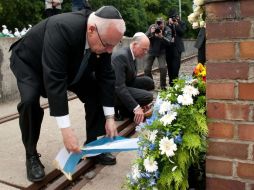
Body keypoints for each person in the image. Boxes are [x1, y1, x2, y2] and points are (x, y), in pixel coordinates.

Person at [9, 6, 126, 182]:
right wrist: (66, 130)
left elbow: (106, 77)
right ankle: (31, 155)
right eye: (107, 45)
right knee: (29, 101)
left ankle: (93, 146)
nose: (110, 51)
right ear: (91, 30)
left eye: (113, 45)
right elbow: (55, 79)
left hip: (68, 66)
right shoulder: (63, 27)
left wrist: (110, 117)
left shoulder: (103, 38)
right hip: (30, 63)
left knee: (95, 92)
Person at [112, 32, 154, 124]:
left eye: (147, 50)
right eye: (144, 49)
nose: (146, 53)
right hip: (114, 93)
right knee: (148, 96)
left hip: (125, 84)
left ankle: (127, 108)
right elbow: (119, 87)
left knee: (148, 82)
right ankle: (124, 110)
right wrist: (136, 106)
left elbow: (132, 78)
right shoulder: (121, 57)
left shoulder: (131, 53)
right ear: (135, 45)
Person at [144, 18, 172, 90]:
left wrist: (161, 36)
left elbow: (169, 42)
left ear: (164, 23)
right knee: (146, 69)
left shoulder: (167, 29)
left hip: (161, 51)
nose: (159, 25)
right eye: (158, 23)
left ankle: (163, 85)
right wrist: (151, 33)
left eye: (161, 23)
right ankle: (150, 84)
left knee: (163, 68)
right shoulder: (152, 27)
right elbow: (144, 37)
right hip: (151, 50)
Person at [165, 10, 187, 86]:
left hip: (177, 48)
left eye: (176, 17)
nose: (175, 18)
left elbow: (182, 33)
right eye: (173, 17)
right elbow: (164, 32)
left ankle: (175, 82)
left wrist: (177, 25)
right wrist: (169, 24)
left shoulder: (181, 23)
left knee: (176, 66)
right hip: (169, 48)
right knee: (170, 66)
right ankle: (171, 82)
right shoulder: (166, 24)